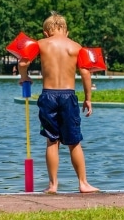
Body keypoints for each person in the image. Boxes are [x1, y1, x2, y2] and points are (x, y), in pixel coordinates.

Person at [18, 13, 97, 193]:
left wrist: (25, 78)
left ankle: (53, 185)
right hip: (68, 95)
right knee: (74, 142)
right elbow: (86, 74)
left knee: (52, 141)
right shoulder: (76, 47)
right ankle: (83, 184)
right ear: (66, 31)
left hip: (48, 95)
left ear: (46, 32)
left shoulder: (40, 44)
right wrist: (88, 99)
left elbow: (23, 63)